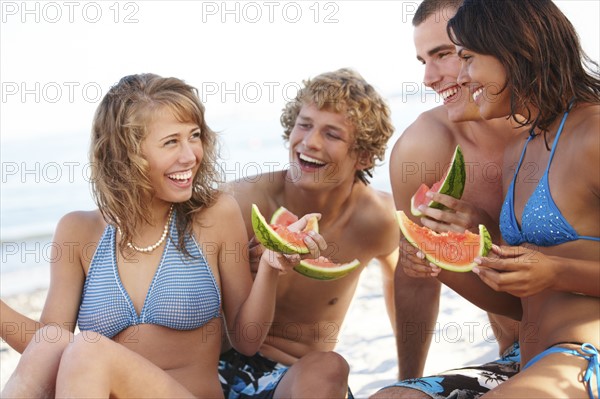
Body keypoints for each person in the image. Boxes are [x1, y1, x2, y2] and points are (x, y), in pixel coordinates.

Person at [0, 73, 326, 398]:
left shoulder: (215, 215)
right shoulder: (77, 231)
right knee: (51, 343)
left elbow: (246, 339)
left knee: (87, 348)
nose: (190, 156)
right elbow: (44, 354)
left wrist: (269, 268)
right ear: (125, 152)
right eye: (171, 142)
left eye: (194, 136)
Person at [401, 0, 599, 397]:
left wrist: (556, 271)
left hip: (585, 357)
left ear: (515, 50)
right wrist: (445, 261)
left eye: (468, 58)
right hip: (530, 358)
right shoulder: (521, 151)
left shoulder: (594, 133)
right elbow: (517, 302)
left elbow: (553, 272)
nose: (464, 74)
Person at [218, 68, 400, 398]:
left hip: (301, 382)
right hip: (221, 366)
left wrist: (408, 378)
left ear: (363, 155)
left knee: (330, 365)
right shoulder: (240, 202)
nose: (310, 142)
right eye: (304, 124)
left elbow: (403, 287)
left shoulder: (379, 220)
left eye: (332, 134)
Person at [373, 1, 522, 397]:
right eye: (422, 60)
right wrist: (407, 380)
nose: (428, 77)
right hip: (520, 356)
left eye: (443, 54)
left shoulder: (575, 129)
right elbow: (417, 274)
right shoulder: (423, 148)